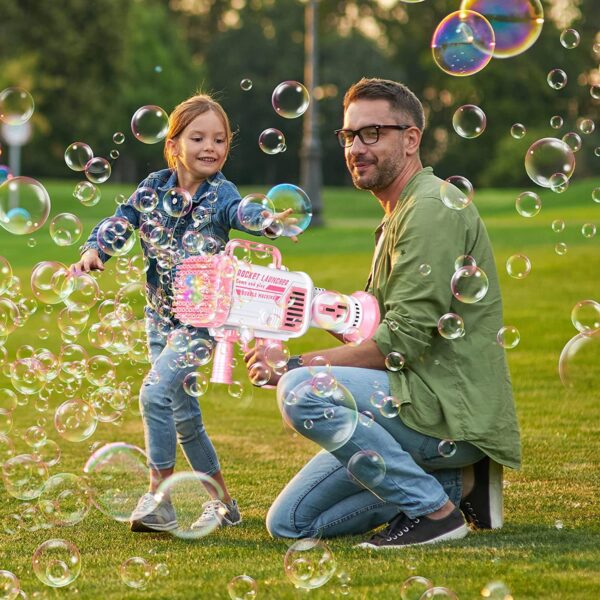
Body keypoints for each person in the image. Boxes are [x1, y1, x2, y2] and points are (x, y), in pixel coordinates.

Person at [245, 78, 521, 549]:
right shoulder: (397, 213)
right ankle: (460, 486)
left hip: (444, 411)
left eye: (372, 133)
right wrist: (301, 311)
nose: (356, 146)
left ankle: (434, 514)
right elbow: (377, 327)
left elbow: (401, 344)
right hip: (413, 400)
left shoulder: (430, 208)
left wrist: (292, 366)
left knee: (301, 391)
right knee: (291, 524)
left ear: (411, 139)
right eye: (349, 135)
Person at [72, 92, 290, 533]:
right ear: (173, 144)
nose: (210, 147)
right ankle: (225, 505)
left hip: (201, 320)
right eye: (198, 138)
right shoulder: (153, 186)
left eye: (220, 139)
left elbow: (242, 210)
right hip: (160, 319)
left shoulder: (221, 193)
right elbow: (122, 220)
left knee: (154, 394)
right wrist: (96, 248)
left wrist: (265, 220)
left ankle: (160, 500)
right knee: (183, 416)